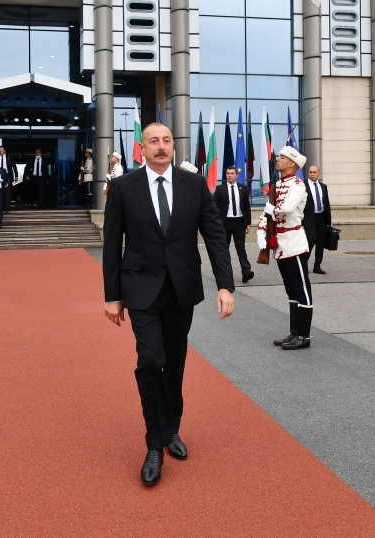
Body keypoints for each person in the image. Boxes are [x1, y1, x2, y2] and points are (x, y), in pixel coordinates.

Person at [103, 122, 235, 486]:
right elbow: (112, 243)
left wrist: (226, 285)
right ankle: (154, 445)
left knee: (174, 363)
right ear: (141, 148)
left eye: (166, 141)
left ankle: (172, 428)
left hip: (182, 289)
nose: (161, 147)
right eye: (153, 142)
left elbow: (215, 235)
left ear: (173, 146)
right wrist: (112, 295)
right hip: (140, 288)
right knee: (150, 361)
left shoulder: (194, 184)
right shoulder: (123, 187)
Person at [257, 146, 313, 351]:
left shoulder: (297, 185)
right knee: (291, 290)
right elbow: (267, 213)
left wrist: (273, 209)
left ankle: (305, 336)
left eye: (281, 157)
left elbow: (286, 208)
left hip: (294, 243)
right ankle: (295, 332)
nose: (277, 159)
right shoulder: (277, 185)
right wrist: (261, 232)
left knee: (302, 289)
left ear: (292, 164)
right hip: (280, 244)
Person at [213, 166, 254, 283]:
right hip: (225, 223)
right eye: (227, 173)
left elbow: (246, 206)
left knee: (241, 248)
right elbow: (214, 206)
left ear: (236, 175)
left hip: (239, 222)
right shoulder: (220, 189)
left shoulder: (243, 188)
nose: (229, 175)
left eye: (232, 173)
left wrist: (248, 223)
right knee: (224, 249)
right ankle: (226, 275)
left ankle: (246, 272)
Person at [304, 165, 332, 275]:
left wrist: (328, 221)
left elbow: (327, 204)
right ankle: (303, 263)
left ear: (318, 173)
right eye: (310, 172)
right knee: (311, 239)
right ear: (308, 173)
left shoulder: (323, 187)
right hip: (309, 218)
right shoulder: (303, 186)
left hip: (321, 218)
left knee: (320, 242)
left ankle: (317, 266)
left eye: (314, 172)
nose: (312, 174)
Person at [0, 145, 17, 211]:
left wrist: (16, 175)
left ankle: (7, 206)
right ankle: (1, 206)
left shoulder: (9, 156)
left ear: (5, 150)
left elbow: (14, 166)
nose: (1, 152)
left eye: (2, 151)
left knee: (7, 191)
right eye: (0, 151)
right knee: (0, 191)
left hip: (8, 175)